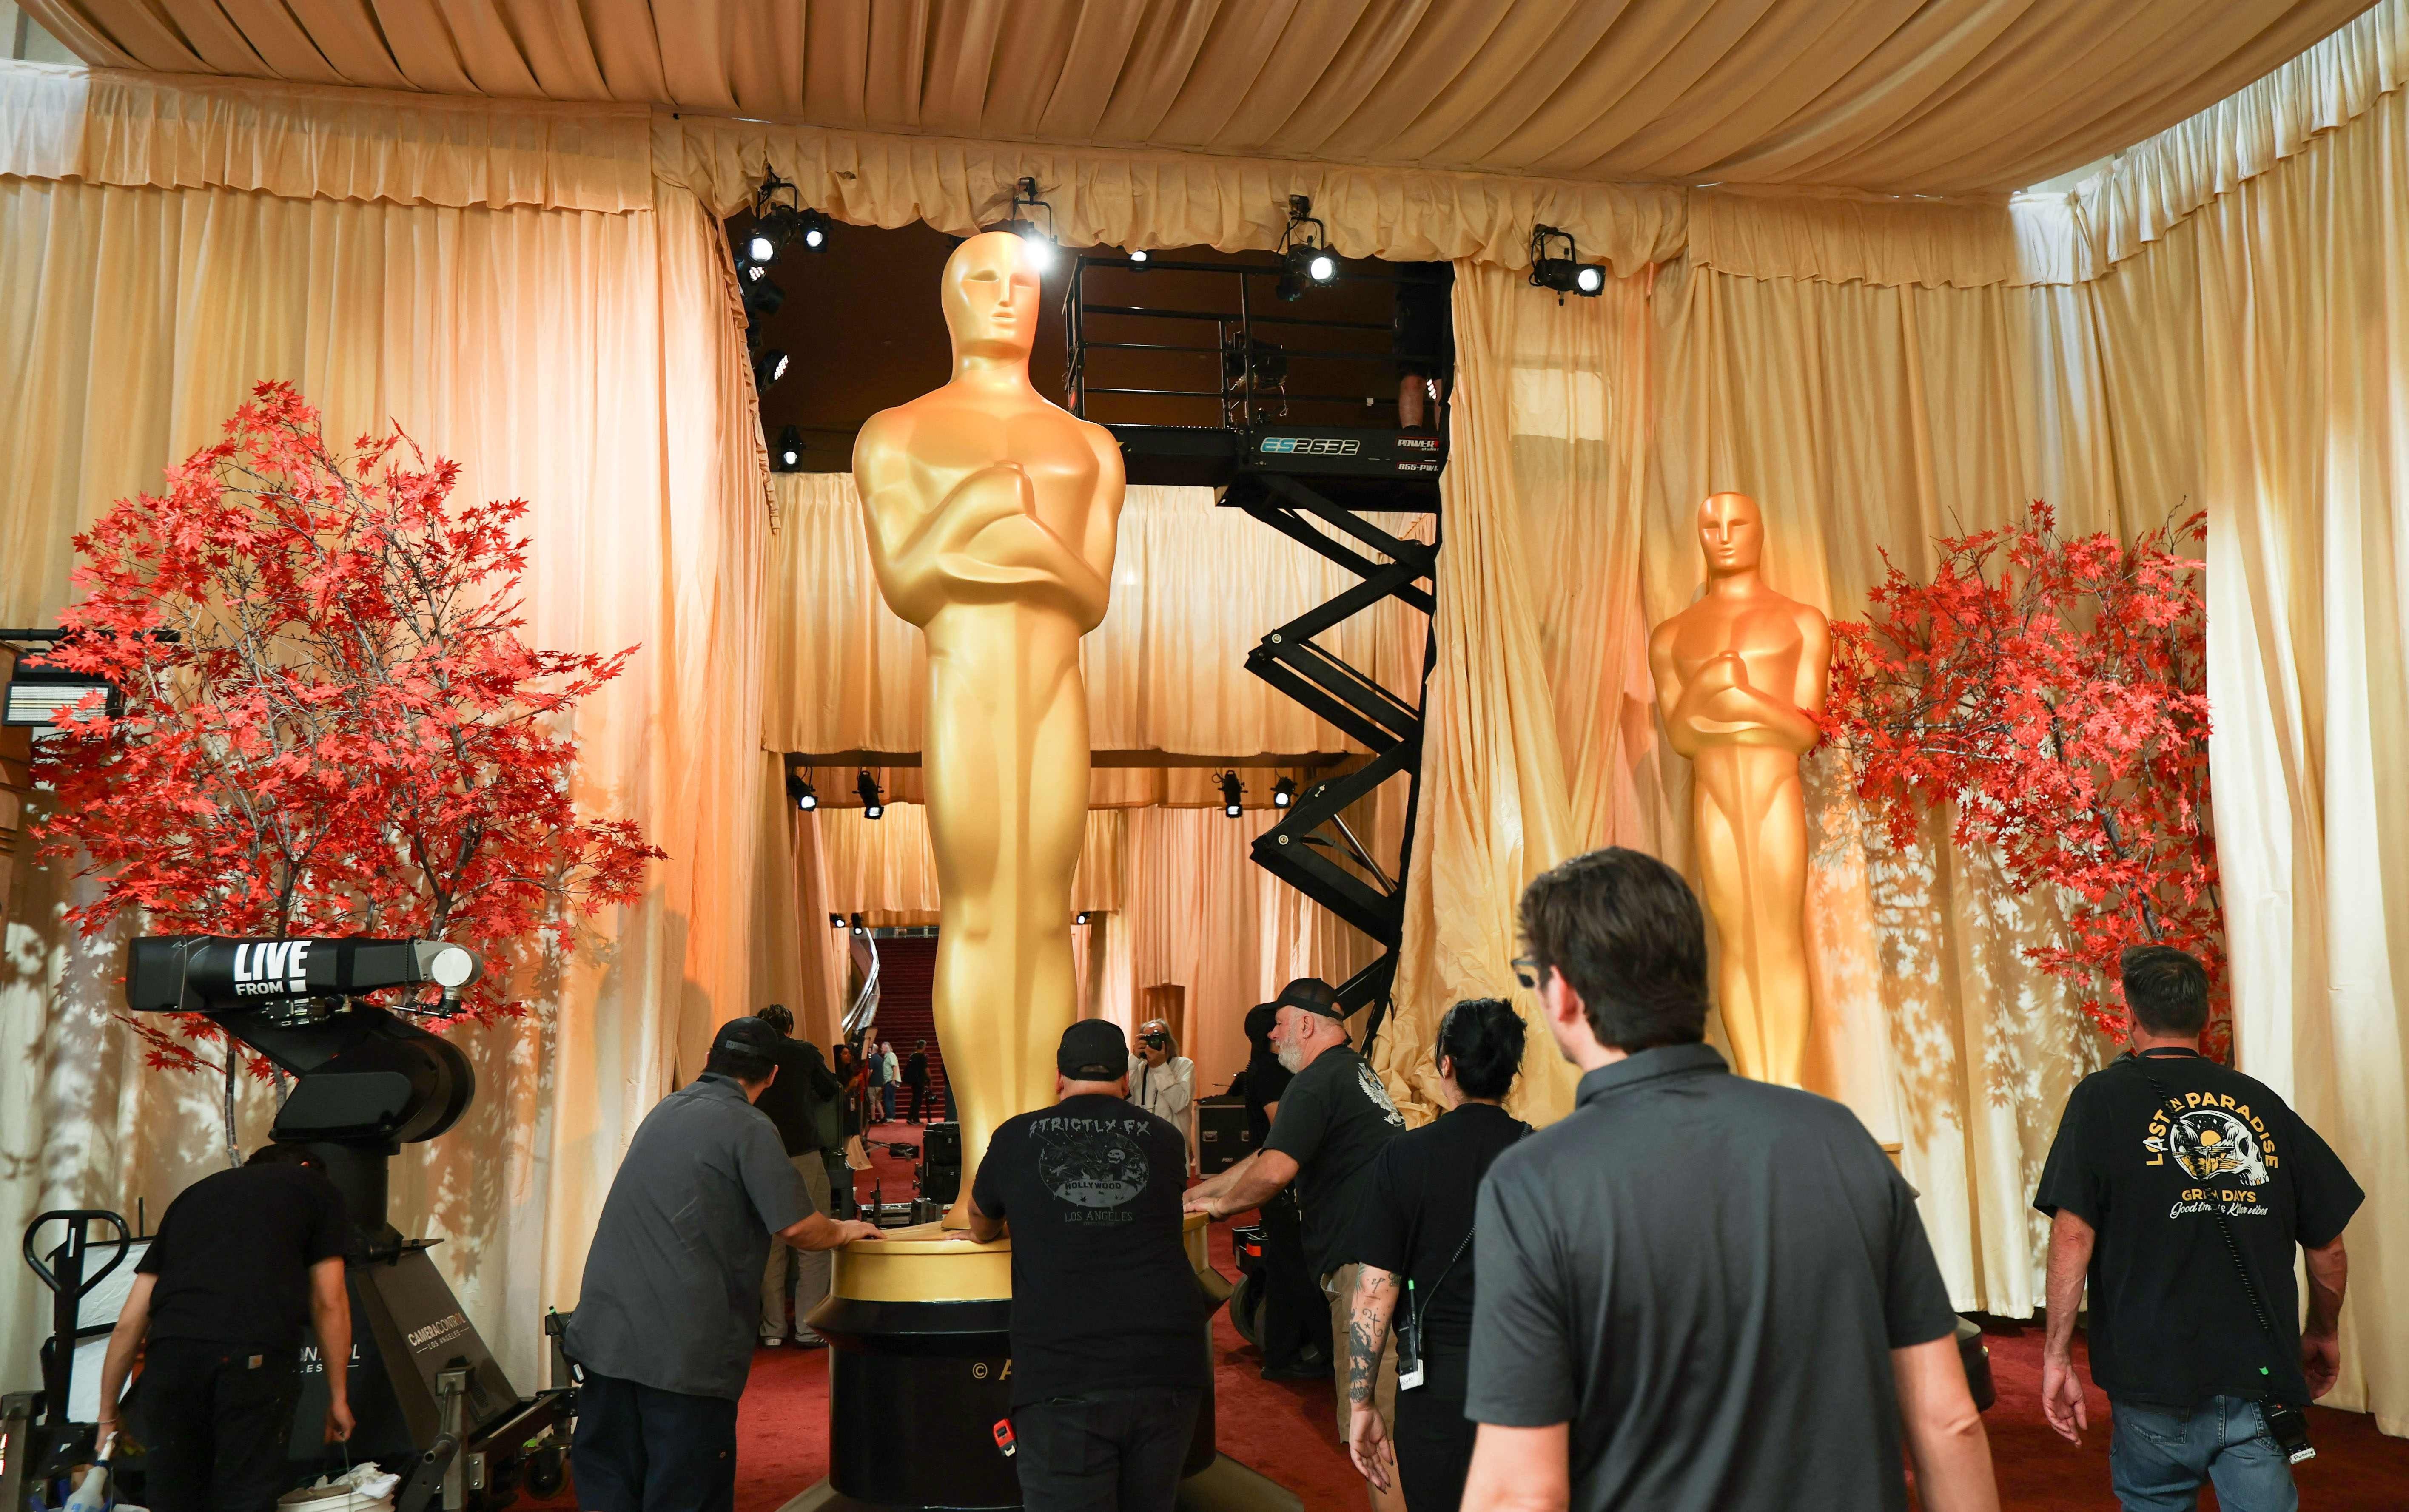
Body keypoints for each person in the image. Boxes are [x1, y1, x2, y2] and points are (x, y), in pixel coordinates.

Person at [1461, 847, 1997, 1512]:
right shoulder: (1841, 1140)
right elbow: (1950, 1420)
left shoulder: (1534, 1183)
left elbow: (1519, 1492)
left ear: (1562, 990)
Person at [2034, 945, 2362, 1512]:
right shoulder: (2262, 1103)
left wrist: (2057, 1357)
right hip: (2257, 1377)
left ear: (2130, 1017)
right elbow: (2327, 1244)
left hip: (2151, 1377)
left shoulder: (2101, 1101)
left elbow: (2072, 1237)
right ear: (2205, 1018)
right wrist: (2324, 1330)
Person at [565, 1017, 882, 1512]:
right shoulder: (749, 1126)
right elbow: (798, 1227)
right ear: (773, 1074)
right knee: (685, 1489)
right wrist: (844, 1230)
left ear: (708, 1058)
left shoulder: (665, 1108)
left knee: (611, 1481)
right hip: (681, 1349)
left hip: (607, 1335)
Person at [968, 1019, 1209, 1512]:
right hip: (1167, 1368)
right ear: (1126, 1078)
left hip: (1065, 1374)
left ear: (1059, 1076)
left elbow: (980, 1220)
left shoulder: (1016, 1137)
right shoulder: (1164, 1140)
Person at [1185, 976, 1406, 1512]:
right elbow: (1269, 1154)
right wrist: (1201, 1195)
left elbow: (1274, 1172)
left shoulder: (1312, 1083)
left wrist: (1216, 1208)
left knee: (1373, 1427)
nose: (1271, 1037)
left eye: (1279, 1024)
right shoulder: (1352, 1072)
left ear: (1306, 1025)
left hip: (1362, 1274)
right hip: (1391, 1261)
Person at [1344, 998, 1531, 1511]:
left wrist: (1361, 1400)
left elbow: (1374, 1290)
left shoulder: (1404, 1156)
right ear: (1513, 1070)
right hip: (1529, 1381)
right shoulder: (1547, 1156)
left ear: (1445, 1064)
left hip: (1438, 1388)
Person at [94, 1143, 353, 1512]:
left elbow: (130, 1321)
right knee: (244, 1493)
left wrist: (107, 1417)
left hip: (172, 1355)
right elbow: (329, 1300)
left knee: (173, 1493)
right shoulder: (316, 1188)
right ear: (309, 1166)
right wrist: (338, 1396)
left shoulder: (193, 1197)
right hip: (253, 1349)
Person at [1240, 999, 1328, 1381]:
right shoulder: (1271, 1074)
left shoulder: (1264, 1069)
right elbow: (1287, 1127)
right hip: (1285, 1188)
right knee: (1302, 1274)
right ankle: (1325, 1353)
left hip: (1281, 1187)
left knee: (1284, 1272)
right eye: (1277, 1024)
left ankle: (1280, 1355)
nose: (1282, 1031)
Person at [752, 1004, 843, 1348]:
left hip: (762, 1154)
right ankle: (808, 1327)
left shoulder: (753, 1056)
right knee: (815, 1239)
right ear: (790, 1026)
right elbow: (830, 1089)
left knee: (770, 1245)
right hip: (803, 1153)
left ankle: (772, 1328)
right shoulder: (803, 1052)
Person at [1128, 1017, 1197, 1168]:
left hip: (1172, 1149)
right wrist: (1133, 1059)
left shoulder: (1183, 1065)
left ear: (1168, 1041)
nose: (1153, 1042)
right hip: (1141, 1149)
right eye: (1147, 1039)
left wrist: (1159, 1066)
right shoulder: (1138, 1069)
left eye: (1157, 1036)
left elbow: (1179, 1103)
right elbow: (1123, 1097)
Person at [1392, 262, 1454, 431]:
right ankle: (1411, 441)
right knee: (1413, 378)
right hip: (1413, 301)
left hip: (1449, 300)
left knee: (1444, 382)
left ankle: (1445, 444)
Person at [904, 1039, 933, 1124]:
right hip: (920, 1081)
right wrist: (930, 1079)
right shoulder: (922, 1057)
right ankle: (914, 1118)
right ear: (923, 1047)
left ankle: (911, 1117)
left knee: (915, 1099)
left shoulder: (913, 1056)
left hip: (914, 1081)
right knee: (918, 1100)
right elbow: (926, 1070)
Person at [879, 1040, 901, 1123]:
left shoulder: (891, 1055)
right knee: (890, 1098)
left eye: (882, 1047)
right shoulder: (887, 1056)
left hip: (891, 1080)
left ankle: (890, 1116)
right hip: (889, 1080)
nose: (881, 1049)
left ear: (886, 1048)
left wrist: (894, 1079)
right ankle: (891, 1115)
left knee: (888, 1098)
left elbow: (895, 1067)